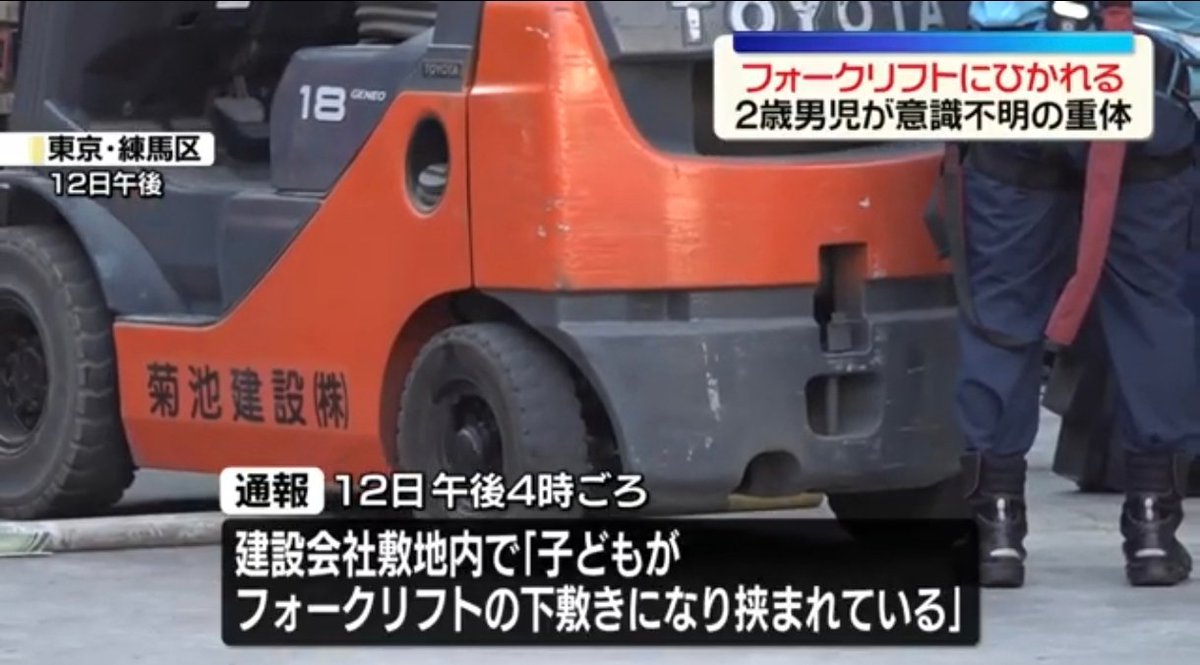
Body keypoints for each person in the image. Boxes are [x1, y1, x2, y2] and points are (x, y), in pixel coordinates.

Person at [956, 1, 1200, 588]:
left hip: (1023, 81)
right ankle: (1152, 529)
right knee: (1150, 313)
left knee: (1002, 315)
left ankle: (995, 530)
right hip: (1152, 87)